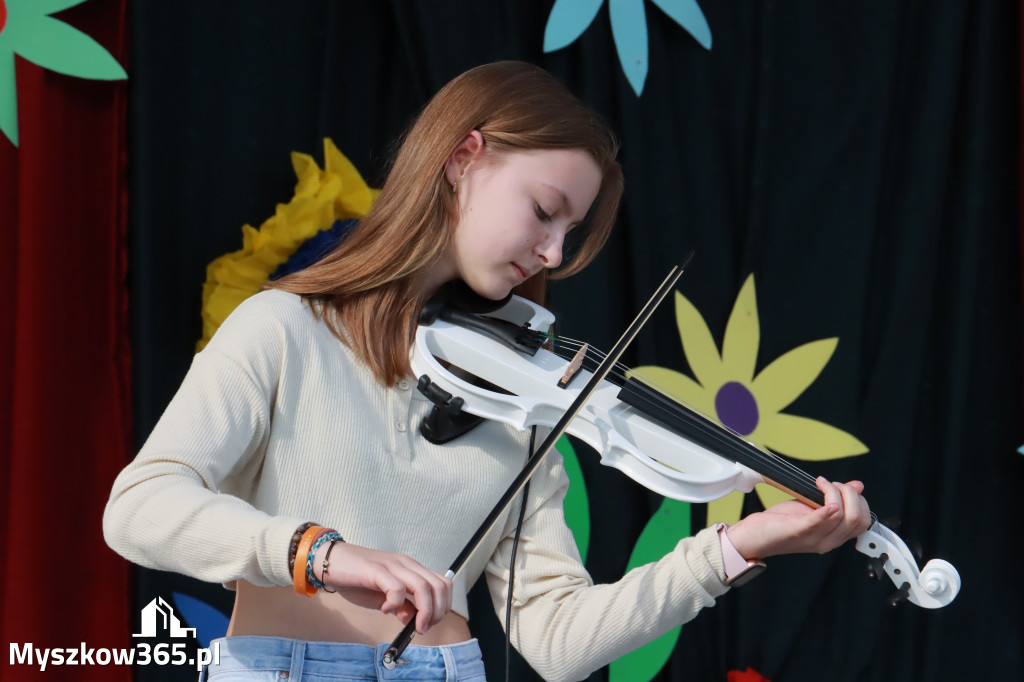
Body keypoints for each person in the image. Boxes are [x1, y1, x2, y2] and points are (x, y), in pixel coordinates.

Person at [104, 61, 871, 682]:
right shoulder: (283, 329)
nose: (554, 255)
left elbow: (559, 641)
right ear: (463, 158)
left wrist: (737, 548)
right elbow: (138, 508)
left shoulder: (520, 394)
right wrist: (319, 552)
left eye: (571, 232)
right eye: (545, 211)